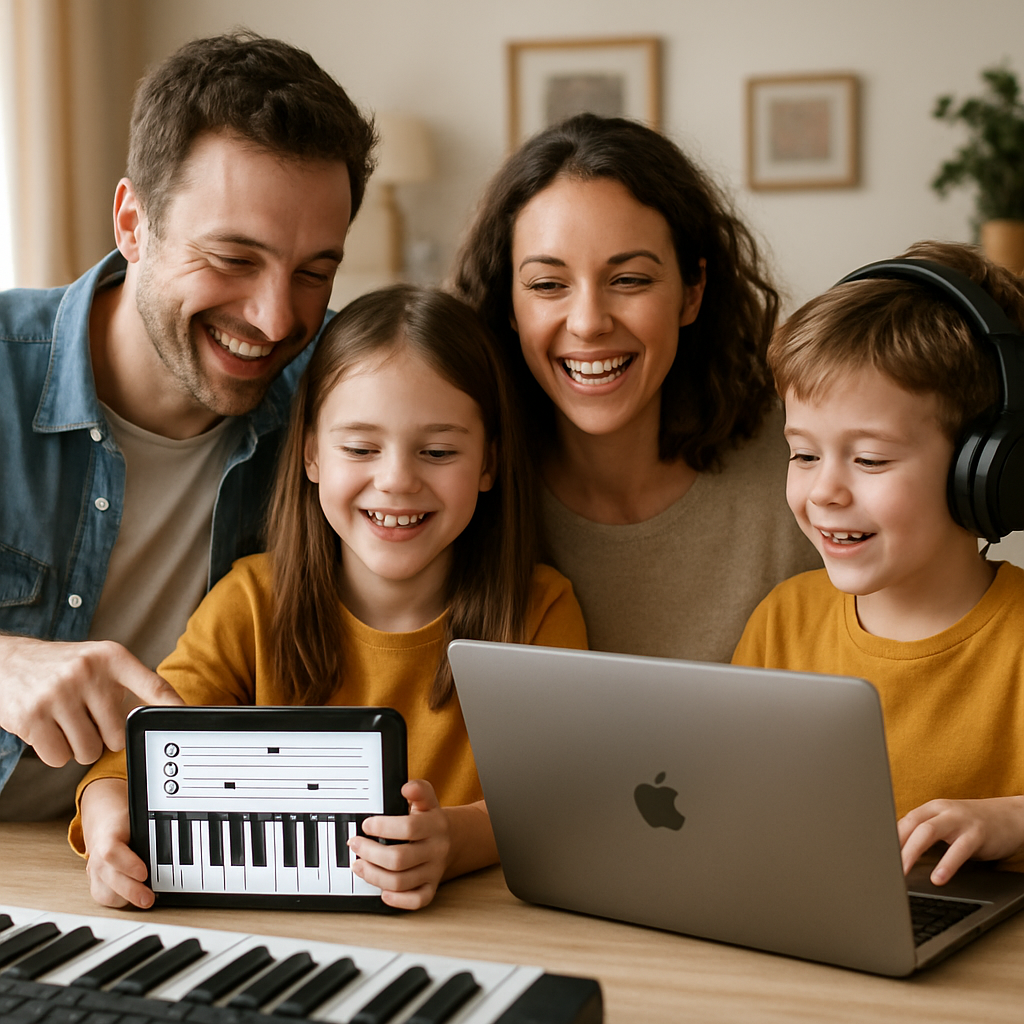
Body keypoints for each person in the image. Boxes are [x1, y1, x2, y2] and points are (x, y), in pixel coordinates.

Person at [72, 285, 588, 910]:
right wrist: (108, 831)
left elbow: (561, 798)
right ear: (313, 453)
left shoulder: (538, 609)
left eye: (439, 451)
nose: (396, 479)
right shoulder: (249, 603)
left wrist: (454, 839)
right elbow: (130, 766)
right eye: (360, 448)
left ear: (488, 463)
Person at [0, 32, 376, 820]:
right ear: (133, 222)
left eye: (314, 272)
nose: (276, 320)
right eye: (234, 259)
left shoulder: (344, 402)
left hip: (177, 884)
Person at [453, 114, 819, 664]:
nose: (588, 322)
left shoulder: (804, 463)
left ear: (692, 293)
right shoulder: (459, 479)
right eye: (548, 285)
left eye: (629, 280)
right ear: (507, 302)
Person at [733, 240, 1024, 885]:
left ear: (983, 472)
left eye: (869, 460)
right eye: (804, 455)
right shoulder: (784, 622)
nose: (825, 492)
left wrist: (1013, 821)